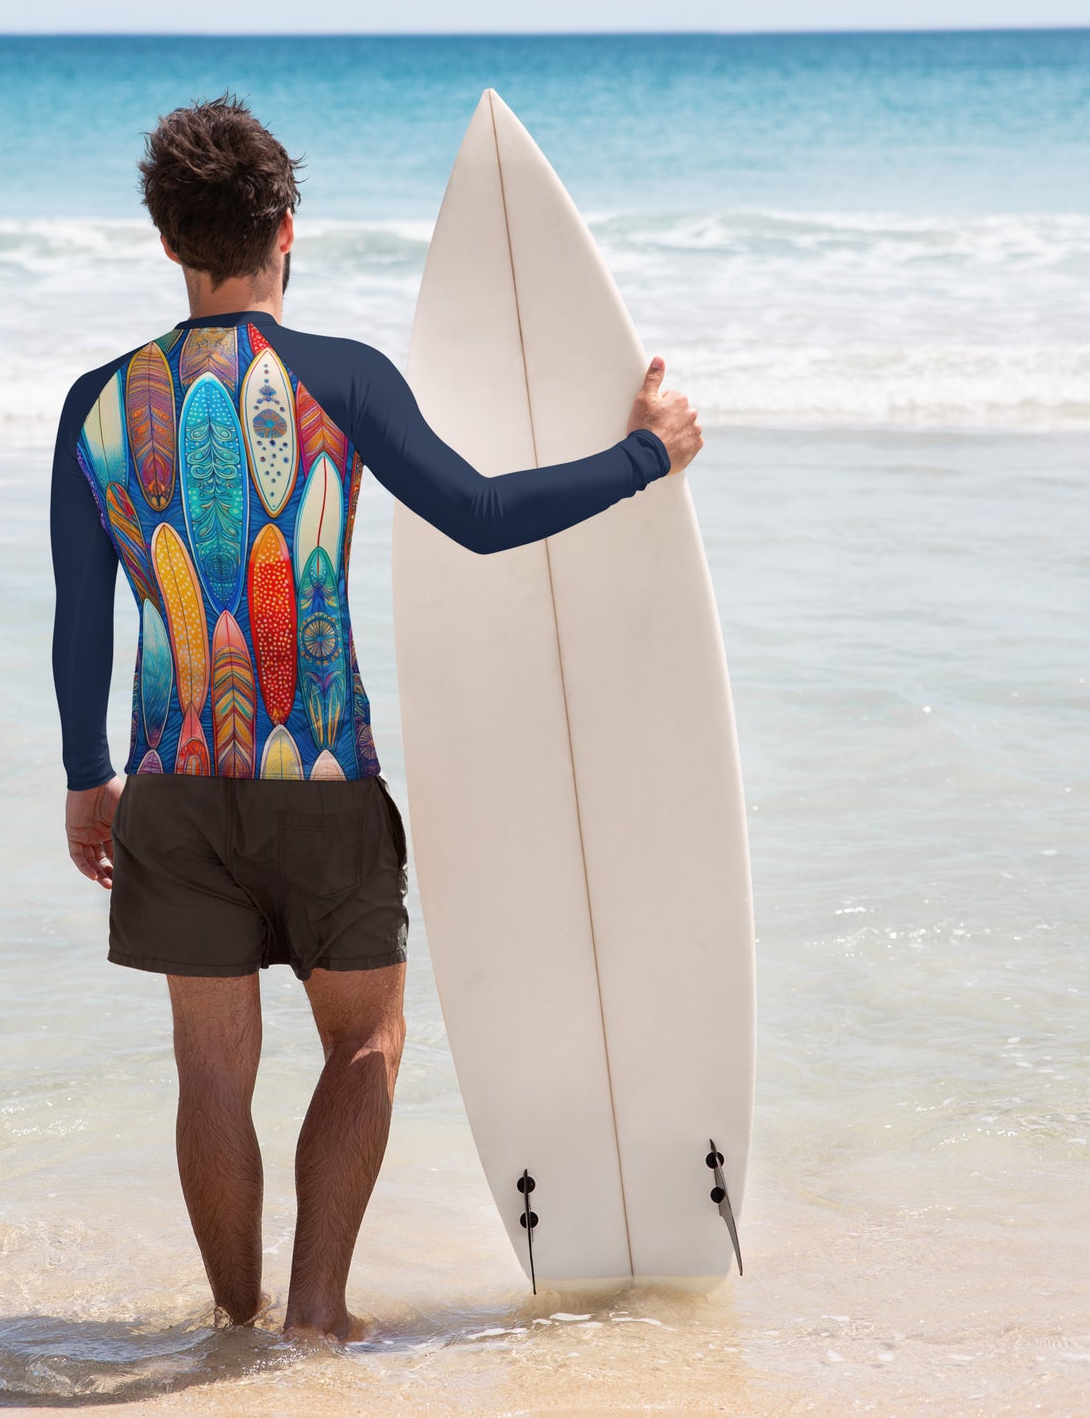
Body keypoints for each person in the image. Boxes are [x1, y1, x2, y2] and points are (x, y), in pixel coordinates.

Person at [50, 92, 703, 1344]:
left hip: (173, 786)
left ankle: (231, 1326)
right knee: (365, 1042)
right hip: (325, 779)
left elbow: (84, 618)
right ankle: (313, 1313)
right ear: (285, 228)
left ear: (166, 240)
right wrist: (642, 456)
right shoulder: (335, 378)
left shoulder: (95, 404)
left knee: (210, 1071)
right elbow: (477, 512)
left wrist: (89, 778)